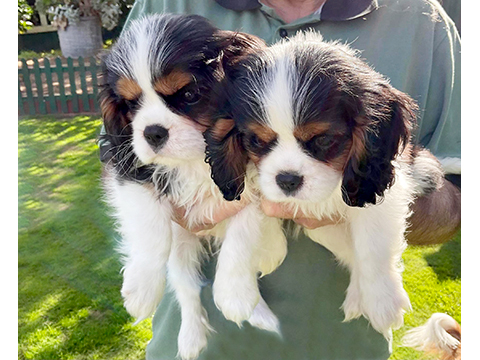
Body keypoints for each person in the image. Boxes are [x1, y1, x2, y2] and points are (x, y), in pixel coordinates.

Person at [98, 0, 461, 359]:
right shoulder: (162, 5)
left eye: (321, 141)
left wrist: (370, 198)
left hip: (346, 346)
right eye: (257, 141)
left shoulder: (421, 21)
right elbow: (119, 159)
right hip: (194, 346)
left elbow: (459, 200)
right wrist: (169, 225)